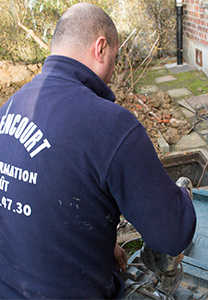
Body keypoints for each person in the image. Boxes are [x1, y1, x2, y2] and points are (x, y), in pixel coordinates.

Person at [0, 3, 196, 299]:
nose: (111, 76)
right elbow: (173, 235)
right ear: (101, 48)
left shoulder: (9, 109)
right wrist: (183, 201)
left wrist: (99, 244)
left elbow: (29, 204)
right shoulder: (111, 125)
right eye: (114, 61)